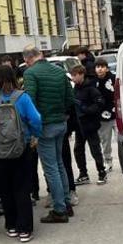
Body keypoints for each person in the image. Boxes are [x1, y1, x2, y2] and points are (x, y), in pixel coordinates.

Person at [0, 66, 42, 243]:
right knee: (22, 188)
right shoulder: (22, 97)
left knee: (5, 189)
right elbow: (36, 119)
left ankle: (11, 226)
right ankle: (25, 229)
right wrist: (34, 135)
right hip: (21, 147)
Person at [23, 45, 75, 224]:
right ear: (41, 54)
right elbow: (70, 98)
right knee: (59, 164)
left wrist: (32, 130)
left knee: (51, 168)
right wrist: (62, 114)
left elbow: (30, 102)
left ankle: (59, 210)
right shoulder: (59, 71)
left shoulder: (30, 73)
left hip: (44, 126)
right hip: (61, 123)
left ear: (27, 60)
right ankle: (66, 203)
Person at [71, 65, 108, 185]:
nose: (73, 78)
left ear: (81, 74)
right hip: (79, 125)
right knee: (78, 150)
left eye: (74, 75)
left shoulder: (91, 88)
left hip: (90, 124)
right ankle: (83, 174)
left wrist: (86, 109)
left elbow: (100, 103)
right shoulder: (75, 89)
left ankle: (102, 172)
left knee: (95, 149)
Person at [94, 58, 117, 172]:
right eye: (98, 67)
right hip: (103, 117)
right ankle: (108, 161)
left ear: (107, 68)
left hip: (117, 114)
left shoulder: (114, 78)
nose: (100, 69)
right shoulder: (94, 82)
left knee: (122, 140)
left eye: (102, 67)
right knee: (106, 141)